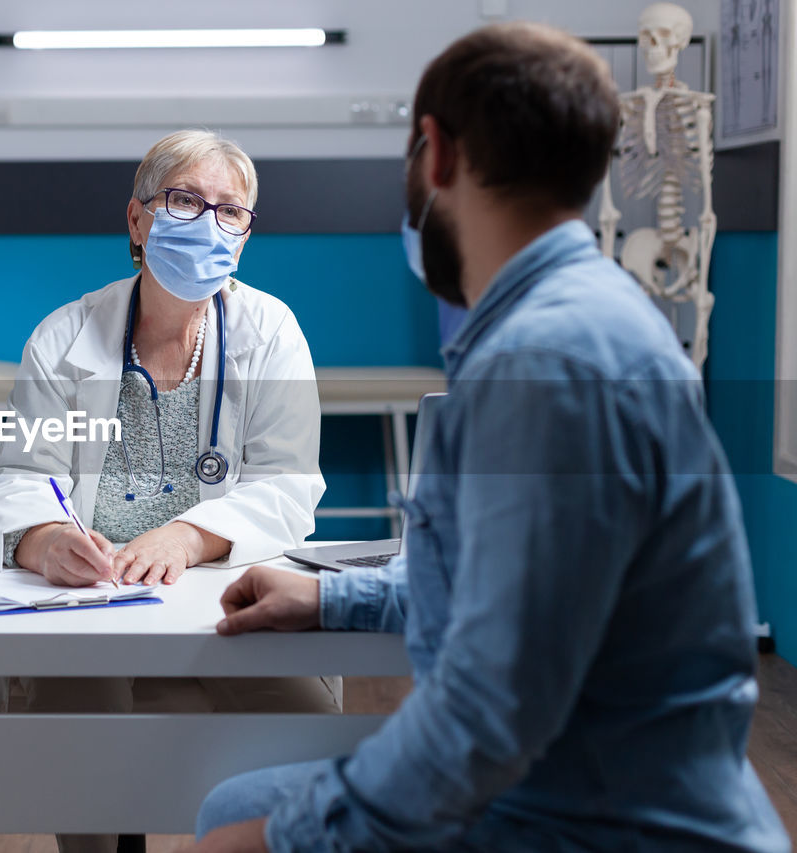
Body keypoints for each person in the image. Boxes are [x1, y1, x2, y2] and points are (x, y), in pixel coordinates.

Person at [188, 23, 790, 853]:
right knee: (234, 801)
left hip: (602, 820)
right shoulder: (582, 322)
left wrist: (285, 839)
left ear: (436, 153)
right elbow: (513, 598)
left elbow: (486, 712)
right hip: (612, 780)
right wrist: (332, 597)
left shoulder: (543, 365)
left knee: (235, 826)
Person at [0, 129, 337, 853]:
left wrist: (187, 535)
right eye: (184, 200)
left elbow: (288, 485)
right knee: (86, 742)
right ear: (138, 221)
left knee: (306, 731)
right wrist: (47, 543)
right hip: (89, 601)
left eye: (231, 211)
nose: (209, 223)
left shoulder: (270, 334)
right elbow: (17, 471)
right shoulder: (64, 337)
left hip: (223, 596)